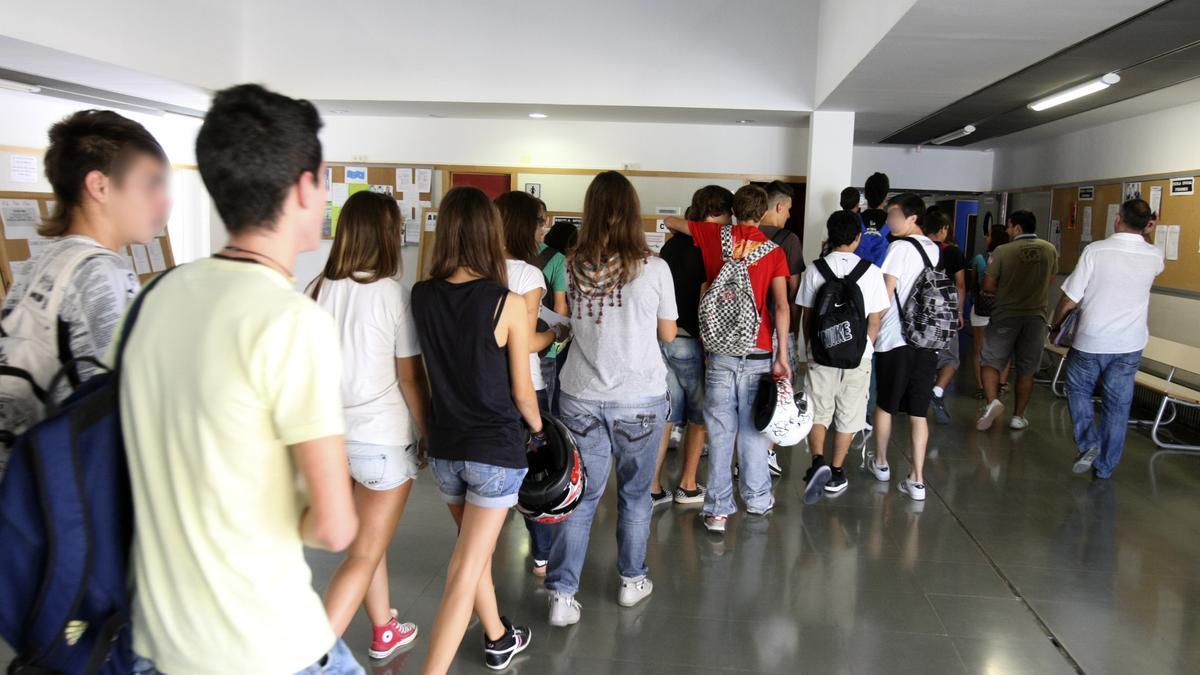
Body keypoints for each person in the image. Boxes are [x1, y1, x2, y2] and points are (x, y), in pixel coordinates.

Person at [120, 84, 362, 674]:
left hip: (156, 639)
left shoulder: (155, 298)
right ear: (306, 186)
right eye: (324, 180)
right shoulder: (290, 320)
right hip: (262, 643)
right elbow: (334, 527)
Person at [411, 186, 538, 673]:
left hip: (446, 449)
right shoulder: (504, 302)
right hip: (494, 451)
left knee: (472, 555)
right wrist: (539, 432)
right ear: (490, 233)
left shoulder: (421, 295)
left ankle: (499, 637)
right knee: (465, 569)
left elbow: (421, 372)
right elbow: (523, 393)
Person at [0, 110, 169, 470]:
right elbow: (126, 413)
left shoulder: (43, 262)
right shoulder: (101, 273)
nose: (164, 201)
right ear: (100, 186)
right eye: (150, 183)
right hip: (58, 497)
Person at [545, 171, 677, 626]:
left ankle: (562, 595)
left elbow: (565, 318)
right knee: (637, 496)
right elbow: (667, 332)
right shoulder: (654, 267)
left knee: (580, 497)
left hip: (580, 394)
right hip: (640, 397)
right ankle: (631, 580)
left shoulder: (573, 263)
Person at [309, 190, 428, 660]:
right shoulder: (392, 295)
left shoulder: (318, 288)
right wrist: (429, 432)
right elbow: (411, 378)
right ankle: (309, 660)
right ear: (386, 234)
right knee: (362, 554)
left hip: (329, 439)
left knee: (364, 545)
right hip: (381, 441)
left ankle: (384, 630)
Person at [664, 185, 791, 534]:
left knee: (720, 434)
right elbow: (781, 306)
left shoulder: (713, 236)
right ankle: (758, 499)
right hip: (759, 350)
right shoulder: (774, 251)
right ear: (764, 213)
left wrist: (703, 224)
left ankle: (718, 510)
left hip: (719, 353)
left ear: (733, 211)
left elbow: (670, 221)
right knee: (753, 431)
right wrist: (783, 356)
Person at [1050, 199, 1162, 478]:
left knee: (1078, 390)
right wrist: (1146, 230)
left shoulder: (1096, 251)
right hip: (1130, 344)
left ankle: (1089, 443)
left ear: (1117, 219)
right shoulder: (1154, 255)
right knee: (1118, 406)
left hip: (1091, 340)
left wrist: (1055, 325)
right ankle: (1105, 468)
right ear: (1147, 224)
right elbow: (1145, 246)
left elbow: (1070, 299)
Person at [798, 211, 889, 498]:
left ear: (829, 235)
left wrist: (811, 348)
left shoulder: (815, 270)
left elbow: (808, 317)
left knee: (818, 409)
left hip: (821, 354)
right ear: (858, 237)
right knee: (850, 413)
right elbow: (875, 319)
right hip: (858, 356)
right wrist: (865, 347)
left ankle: (817, 462)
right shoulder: (872, 272)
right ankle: (837, 472)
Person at [495, 190, 562, 579]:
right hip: (526, 385)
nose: (545, 228)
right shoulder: (527, 274)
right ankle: (541, 556)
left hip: (487, 386)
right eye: (540, 221)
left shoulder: (476, 266)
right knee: (538, 472)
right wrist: (554, 333)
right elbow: (526, 344)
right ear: (523, 225)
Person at [652, 186, 730, 507]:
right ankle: (687, 483)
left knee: (667, 413)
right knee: (698, 415)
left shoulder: (671, 246)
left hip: (663, 336)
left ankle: (654, 487)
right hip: (694, 340)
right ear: (720, 212)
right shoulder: (712, 244)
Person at [866, 193, 941, 502]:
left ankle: (881, 463)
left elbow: (885, 295)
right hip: (926, 340)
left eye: (894, 215)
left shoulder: (899, 247)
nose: (889, 221)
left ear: (912, 218)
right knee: (918, 411)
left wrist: (870, 333)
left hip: (895, 338)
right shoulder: (932, 248)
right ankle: (918, 479)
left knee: (886, 403)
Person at [976, 210, 1058, 432]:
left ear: (1017, 228)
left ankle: (992, 402)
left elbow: (988, 286)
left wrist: (1007, 291)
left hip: (1005, 315)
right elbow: (1050, 280)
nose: (1009, 230)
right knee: (1027, 370)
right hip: (1036, 318)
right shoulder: (1049, 250)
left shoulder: (1003, 251)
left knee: (990, 361)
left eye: (1010, 227)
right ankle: (1018, 416)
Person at [760, 180, 806, 477]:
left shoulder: (741, 235)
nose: (789, 215)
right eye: (788, 209)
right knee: (779, 390)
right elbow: (793, 291)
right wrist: (794, 331)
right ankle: (766, 454)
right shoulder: (788, 239)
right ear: (779, 207)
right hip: (777, 327)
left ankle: (742, 457)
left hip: (747, 328)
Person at [927, 206, 966, 424]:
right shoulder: (953, 252)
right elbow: (960, 284)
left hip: (920, 313)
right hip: (946, 311)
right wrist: (959, 312)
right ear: (944, 229)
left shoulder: (917, 249)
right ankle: (938, 391)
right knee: (951, 358)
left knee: (923, 354)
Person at [967, 223, 1011, 399]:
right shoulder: (1011, 258)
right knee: (1004, 349)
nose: (986, 238)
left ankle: (980, 387)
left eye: (988, 235)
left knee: (979, 349)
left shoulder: (979, 258)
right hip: (1004, 309)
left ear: (994, 238)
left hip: (981, 309)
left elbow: (973, 285)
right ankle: (1000, 383)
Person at [858, 172, 891, 267]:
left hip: (854, 277)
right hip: (882, 279)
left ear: (865, 195)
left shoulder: (854, 221)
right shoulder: (894, 225)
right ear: (886, 196)